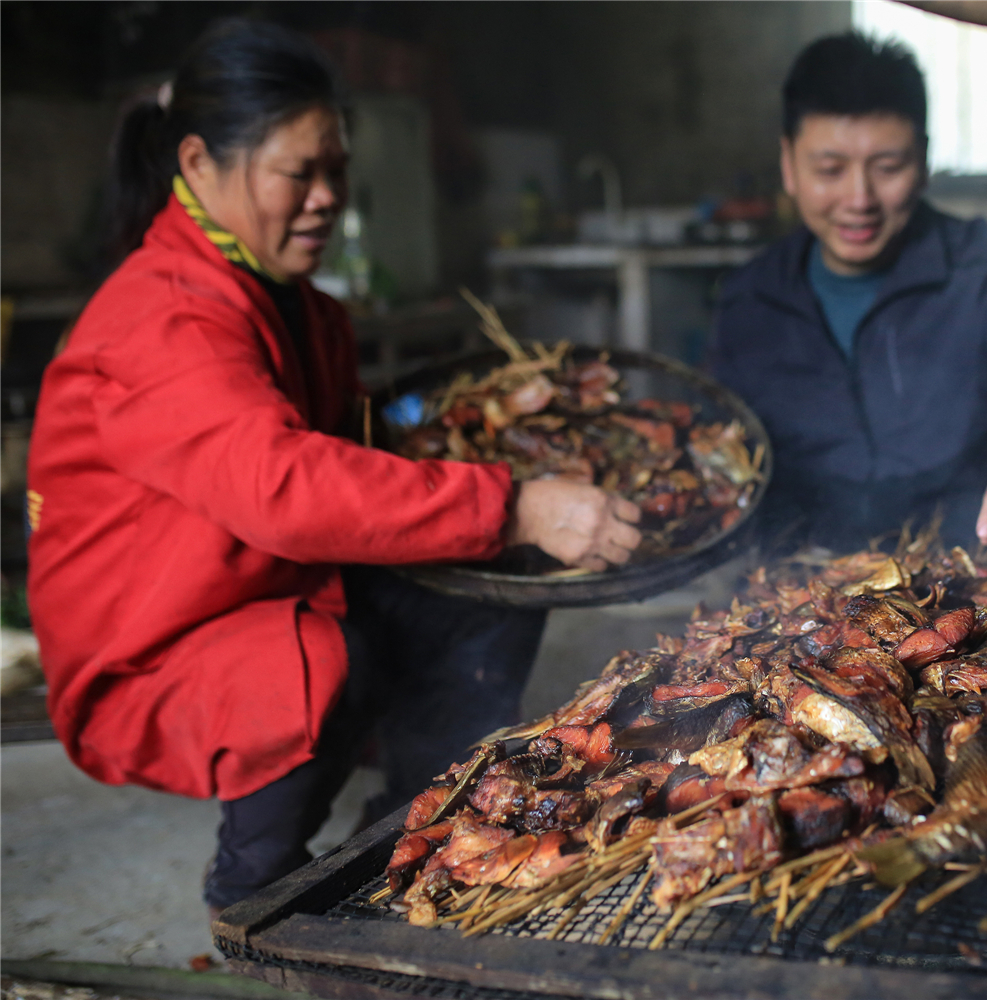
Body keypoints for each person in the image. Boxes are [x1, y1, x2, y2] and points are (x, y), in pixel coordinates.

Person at [24, 20, 642, 915]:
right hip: (150, 643)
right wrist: (515, 504)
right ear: (198, 165)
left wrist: (480, 440)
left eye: (336, 170)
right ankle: (252, 887)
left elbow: (356, 438)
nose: (326, 199)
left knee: (492, 579)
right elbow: (285, 484)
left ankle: (413, 826)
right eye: (297, 173)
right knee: (322, 659)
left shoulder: (299, 306)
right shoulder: (163, 319)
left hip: (259, 579)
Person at [708, 33, 987, 556]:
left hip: (962, 581)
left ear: (922, 161)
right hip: (795, 600)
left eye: (887, 168)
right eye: (829, 170)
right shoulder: (750, 299)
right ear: (788, 165)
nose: (859, 199)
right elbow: (716, 445)